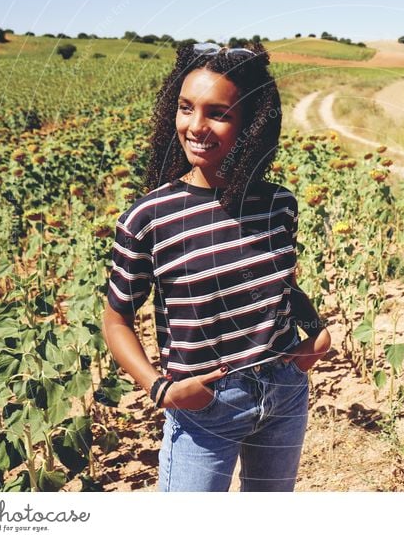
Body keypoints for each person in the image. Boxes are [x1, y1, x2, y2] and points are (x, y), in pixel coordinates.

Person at [101, 41, 331, 492]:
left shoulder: (277, 204)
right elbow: (116, 320)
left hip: (284, 393)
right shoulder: (149, 218)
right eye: (186, 108)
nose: (196, 126)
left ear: (251, 122)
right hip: (204, 406)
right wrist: (159, 389)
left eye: (218, 113)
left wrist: (316, 332)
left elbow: (282, 284)